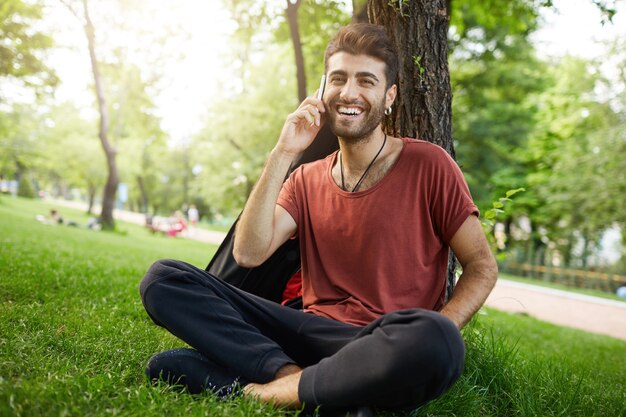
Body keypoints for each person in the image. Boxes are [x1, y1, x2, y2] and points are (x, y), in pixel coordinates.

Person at [140, 23, 497, 416]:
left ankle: (263, 392)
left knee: (438, 338)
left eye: (366, 81)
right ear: (323, 91)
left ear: (389, 96)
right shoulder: (306, 178)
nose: (350, 92)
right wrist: (283, 151)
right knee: (164, 279)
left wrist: (442, 326)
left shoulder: (429, 164)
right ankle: (299, 382)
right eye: (339, 79)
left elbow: (481, 267)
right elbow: (248, 252)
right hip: (305, 329)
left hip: (384, 341)